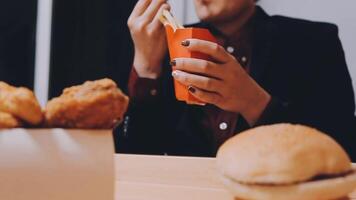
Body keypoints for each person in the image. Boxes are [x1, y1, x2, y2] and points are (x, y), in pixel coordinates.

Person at [116, 0, 356, 160]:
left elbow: (342, 149)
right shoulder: (160, 42)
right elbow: (132, 156)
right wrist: (146, 67)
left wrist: (255, 102)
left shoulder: (314, 42)